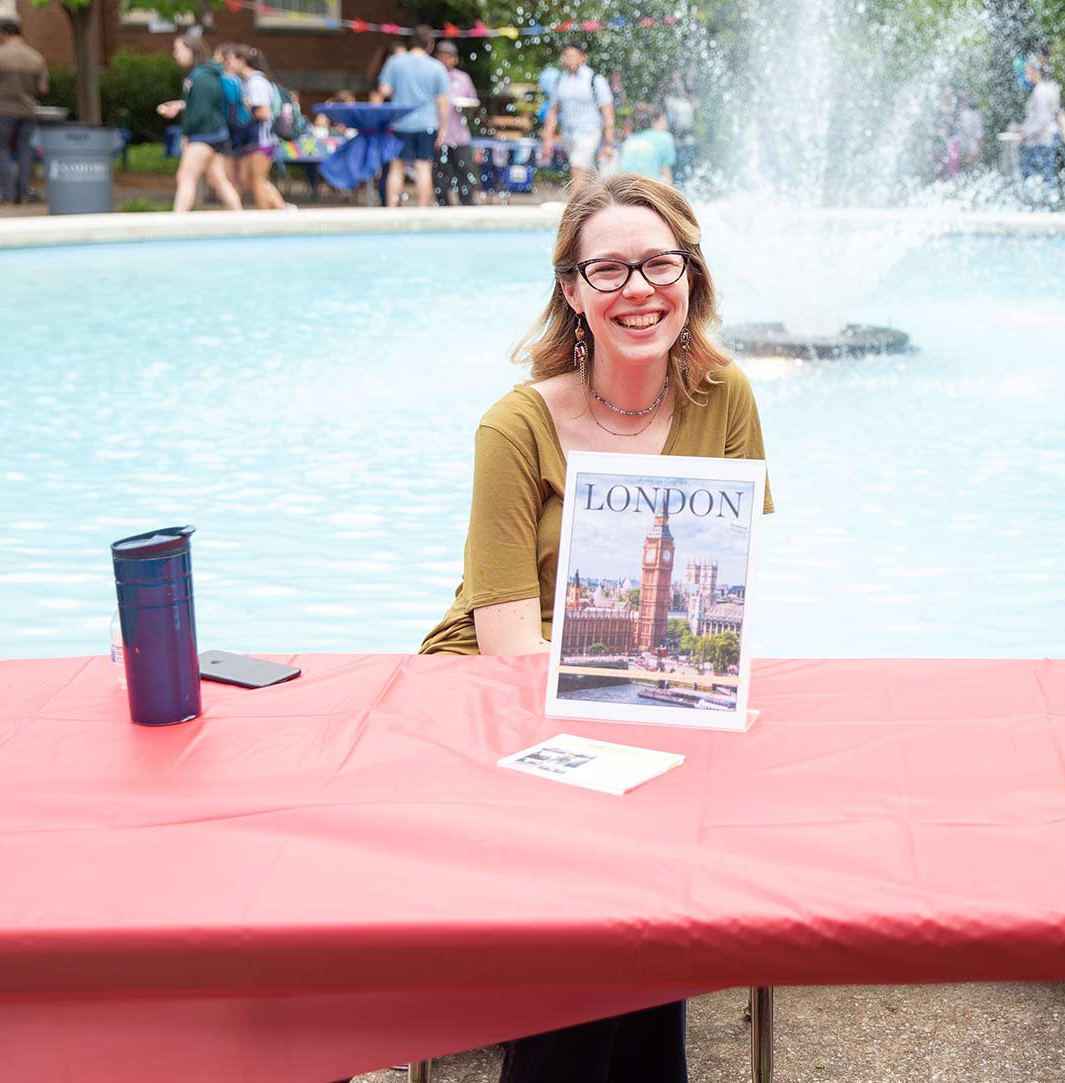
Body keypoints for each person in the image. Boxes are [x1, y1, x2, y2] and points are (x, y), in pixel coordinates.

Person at [420, 174, 772, 1083]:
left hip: (645, 686)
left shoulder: (724, 397)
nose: (637, 290)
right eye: (607, 270)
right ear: (571, 291)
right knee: (615, 887)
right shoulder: (516, 426)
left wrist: (676, 692)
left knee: (634, 901)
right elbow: (503, 643)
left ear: (690, 277)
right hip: (501, 697)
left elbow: (727, 590)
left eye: (658, 264)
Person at [156, 33, 243, 213]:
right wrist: (180, 106)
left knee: (185, 177)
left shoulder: (201, 77)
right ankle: (239, 216)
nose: (175, 54)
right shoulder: (206, 74)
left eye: (178, 49)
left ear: (191, 51)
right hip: (216, 134)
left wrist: (187, 134)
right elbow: (203, 104)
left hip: (204, 135)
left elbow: (201, 111)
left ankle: (177, 222)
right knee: (218, 179)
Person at [378, 26, 450, 208]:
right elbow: (442, 102)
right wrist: (443, 128)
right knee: (423, 168)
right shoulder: (437, 67)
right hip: (427, 123)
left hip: (399, 123)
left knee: (396, 168)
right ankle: (422, 212)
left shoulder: (395, 62)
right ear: (430, 45)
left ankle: (392, 211)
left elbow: (384, 90)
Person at [0, 21, 47, 205]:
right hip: (28, 110)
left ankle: (6, 194)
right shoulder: (36, 57)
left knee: (2, 150)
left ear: (5, 35)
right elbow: (43, 88)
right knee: (26, 150)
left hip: (4, 109)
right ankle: (23, 193)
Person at [540, 41, 617, 199]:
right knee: (587, 173)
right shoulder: (560, 81)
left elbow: (608, 113)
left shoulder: (595, 80)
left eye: (572, 56)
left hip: (590, 131)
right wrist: (548, 137)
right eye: (566, 56)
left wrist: (608, 142)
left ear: (583, 57)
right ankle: (596, 202)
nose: (569, 60)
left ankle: (570, 209)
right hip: (569, 134)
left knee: (577, 166)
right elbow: (553, 111)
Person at [222, 44, 287, 210]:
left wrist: (246, 107)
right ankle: (281, 210)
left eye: (230, 60)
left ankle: (274, 214)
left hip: (262, 139)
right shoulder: (245, 82)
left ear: (241, 60)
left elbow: (264, 112)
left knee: (258, 181)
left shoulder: (256, 82)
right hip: (251, 139)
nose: (227, 64)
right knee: (247, 179)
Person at [433, 40, 480, 206]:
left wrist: (467, 107)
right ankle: (443, 204)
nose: (445, 60)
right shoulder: (432, 76)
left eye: (449, 57)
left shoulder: (463, 78)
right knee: (440, 174)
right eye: (442, 56)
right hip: (439, 135)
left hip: (459, 134)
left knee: (464, 171)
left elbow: (473, 102)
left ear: (456, 59)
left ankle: (468, 203)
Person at [1018, 58, 1062, 207]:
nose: (1025, 74)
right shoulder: (1051, 87)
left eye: (1027, 70)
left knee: (1032, 174)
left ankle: (1034, 207)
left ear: (1033, 71)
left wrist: (1025, 133)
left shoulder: (1040, 91)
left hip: (1042, 139)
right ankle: (1047, 206)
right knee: (1045, 175)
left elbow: (1042, 120)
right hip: (1048, 137)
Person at [618, 102, 676, 184]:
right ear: (656, 120)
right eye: (664, 119)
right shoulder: (665, 137)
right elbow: (667, 176)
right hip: (649, 188)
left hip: (625, 188)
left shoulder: (629, 139)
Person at [661, 71, 699, 186]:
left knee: (688, 170)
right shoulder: (669, 101)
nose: (678, 87)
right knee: (677, 172)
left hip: (689, 141)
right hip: (676, 142)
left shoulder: (688, 101)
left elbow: (696, 104)